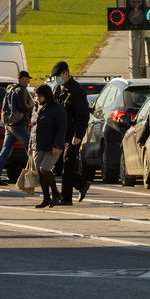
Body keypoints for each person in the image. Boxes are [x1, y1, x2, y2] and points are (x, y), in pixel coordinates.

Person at [51, 60, 91, 205]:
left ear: (66, 74)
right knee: (58, 166)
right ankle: (81, 184)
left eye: (58, 75)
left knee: (68, 165)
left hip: (72, 135)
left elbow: (83, 116)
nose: (56, 78)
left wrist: (78, 135)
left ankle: (66, 198)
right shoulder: (58, 89)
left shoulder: (77, 91)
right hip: (59, 134)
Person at [0, 71, 33, 187]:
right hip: (19, 124)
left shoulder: (10, 89)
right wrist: (29, 106)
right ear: (22, 79)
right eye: (27, 79)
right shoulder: (20, 90)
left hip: (10, 124)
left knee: (4, 152)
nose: (28, 81)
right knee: (31, 149)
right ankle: (36, 177)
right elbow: (21, 107)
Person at [29, 84, 67, 208]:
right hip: (37, 145)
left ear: (46, 95)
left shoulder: (56, 108)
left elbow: (61, 128)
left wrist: (57, 144)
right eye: (36, 96)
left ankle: (56, 194)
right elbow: (33, 128)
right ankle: (46, 198)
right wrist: (30, 144)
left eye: (39, 96)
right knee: (40, 173)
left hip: (52, 145)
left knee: (44, 169)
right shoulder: (35, 108)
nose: (37, 99)